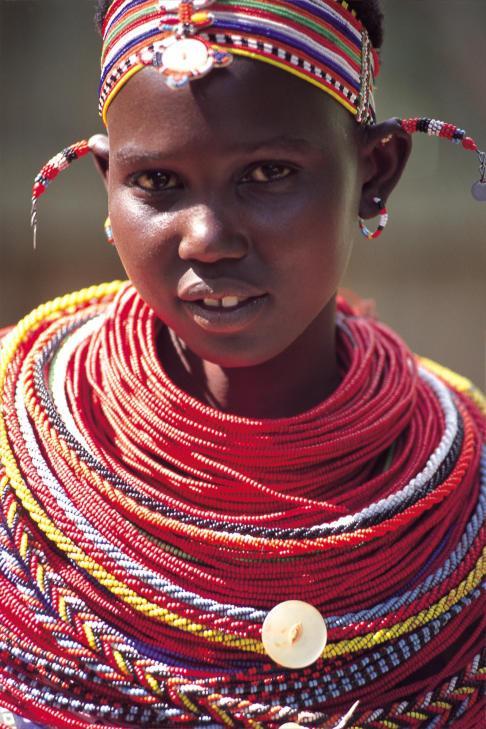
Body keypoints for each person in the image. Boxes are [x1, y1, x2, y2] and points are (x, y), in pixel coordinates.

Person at [0, 1, 484, 727]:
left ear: (375, 172)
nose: (208, 238)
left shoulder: (465, 483)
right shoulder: (15, 433)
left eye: (267, 171)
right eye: (158, 183)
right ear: (106, 182)